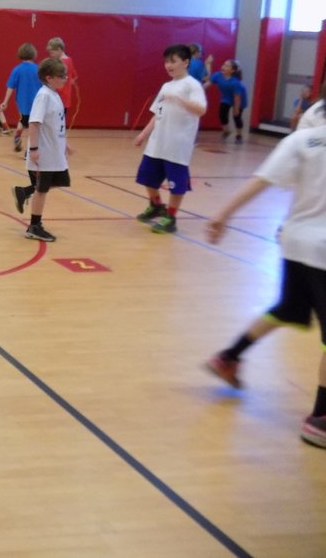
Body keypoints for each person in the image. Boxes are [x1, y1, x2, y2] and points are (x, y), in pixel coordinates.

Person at [203, 107, 326, 448]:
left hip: (296, 241)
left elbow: (263, 179)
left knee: (288, 309)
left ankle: (229, 357)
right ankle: (321, 419)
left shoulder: (304, 138)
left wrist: (223, 214)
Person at [133, 43, 207, 234]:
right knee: (147, 178)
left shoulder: (192, 85)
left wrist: (182, 101)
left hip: (177, 145)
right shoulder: (166, 86)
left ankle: (171, 216)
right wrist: (144, 134)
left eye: (173, 61)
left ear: (186, 62)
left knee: (176, 185)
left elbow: (201, 109)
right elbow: (157, 114)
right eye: (166, 61)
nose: (168, 65)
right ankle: (157, 205)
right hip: (157, 143)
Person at [10, 57, 71, 243]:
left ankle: (25, 191)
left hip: (55, 151)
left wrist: (64, 144)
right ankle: (34, 226)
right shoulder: (44, 95)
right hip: (44, 153)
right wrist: (34, 149)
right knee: (42, 189)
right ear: (49, 77)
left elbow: (55, 124)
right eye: (62, 76)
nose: (65, 78)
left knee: (61, 180)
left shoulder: (54, 95)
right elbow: (34, 123)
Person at [0, 43, 40, 153]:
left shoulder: (17, 70)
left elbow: (10, 86)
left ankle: (17, 136)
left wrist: (5, 101)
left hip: (22, 102)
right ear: (33, 54)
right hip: (36, 102)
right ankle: (29, 151)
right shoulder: (38, 69)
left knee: (23, 120)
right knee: (34, 126)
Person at [205, 57, 248, 143]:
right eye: (224, 65)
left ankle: (239, 135)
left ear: (232, 71)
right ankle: (226, 131)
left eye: (227, 66)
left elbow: (237, 97)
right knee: (222, 114)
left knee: (237, 117)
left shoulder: (235, 82)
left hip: (240, 99)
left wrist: (236, 108)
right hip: (227, 98)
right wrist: (198, 90)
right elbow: (207, 84)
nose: (223, 67)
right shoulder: (217, 75)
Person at [46, 37, 78, 122]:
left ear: (59, 49)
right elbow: (75, 76)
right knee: (60, 122)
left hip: (60, 97)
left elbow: (57, 80)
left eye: (52, 52)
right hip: (64, 97)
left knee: (56, 122)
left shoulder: (61, 63)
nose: (51, 54)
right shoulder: (69, 60)